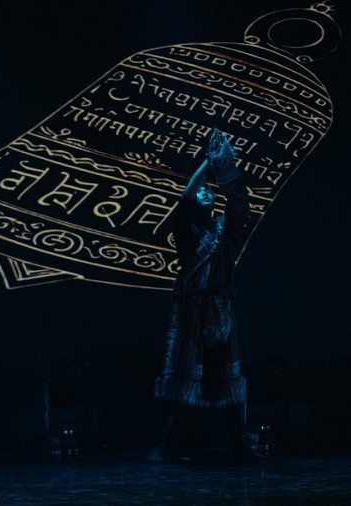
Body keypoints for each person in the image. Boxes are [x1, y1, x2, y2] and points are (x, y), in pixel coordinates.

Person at [148, 128, 254, 463]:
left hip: (220, 312)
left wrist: (224, 167)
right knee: (179, 376)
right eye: (202, 192)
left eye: (211, 192)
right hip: (192, 311)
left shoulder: (224, 232)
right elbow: (185, 197)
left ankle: (239, 445)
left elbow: (240, 206)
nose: (206, 193)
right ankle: (160, 445)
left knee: (228, 379)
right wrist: (207, 164)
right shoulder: (186, 231)